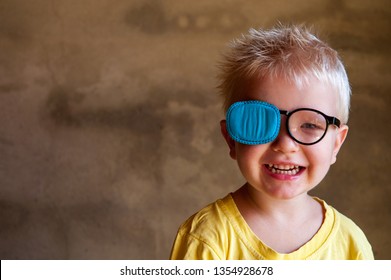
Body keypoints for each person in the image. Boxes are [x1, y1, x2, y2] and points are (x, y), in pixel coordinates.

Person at [170, 24, 374, 260]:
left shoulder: (351, 245)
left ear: (336, 144)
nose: (285, 144)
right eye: (260, 121)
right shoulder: (208, 238)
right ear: (231, 139)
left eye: (310, 125)